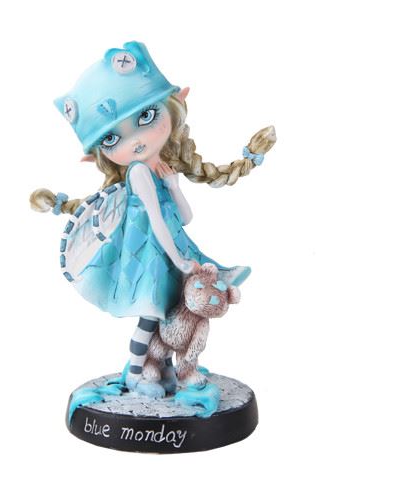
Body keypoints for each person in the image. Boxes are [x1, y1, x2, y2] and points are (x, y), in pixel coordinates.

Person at [30, 41, 274, 397]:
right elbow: (157, 222)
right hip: (149, 255)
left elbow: (185, 218)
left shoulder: (159, 171)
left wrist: (174, 186)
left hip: (169, 250)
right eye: (112, 138)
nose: (137, 141)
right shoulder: (139, 173)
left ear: (171, 108)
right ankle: (135, 372)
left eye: (146, 117)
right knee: (152, 315)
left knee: (170, 310)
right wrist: (178, 259)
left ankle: (163, 367)